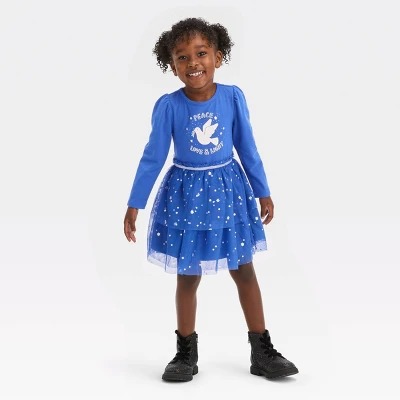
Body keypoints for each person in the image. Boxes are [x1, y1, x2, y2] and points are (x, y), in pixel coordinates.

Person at [124, 17, 298, 382]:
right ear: (172, 66)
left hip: (228, 193)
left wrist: (263, 190)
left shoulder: (232, 97)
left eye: (201, 53)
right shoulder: (169, 106)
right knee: (188, 277)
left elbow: (247, 147)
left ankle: (262, 350)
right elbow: (153, 157)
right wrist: (135, 203)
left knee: (244, 269)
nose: (193, 63)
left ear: (218, 57)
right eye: (182, 57)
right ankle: (185, 352)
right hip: (186, 198)